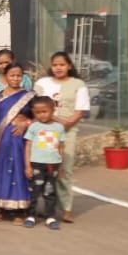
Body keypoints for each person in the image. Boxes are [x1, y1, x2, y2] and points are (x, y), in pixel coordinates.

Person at [34, 52, 90, 223]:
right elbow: (35, 106)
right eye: (55, 65)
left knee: (64, 170)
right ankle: (47, 207)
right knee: (43, 169)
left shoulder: (78, 84)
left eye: (62, 65)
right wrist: (55, 120)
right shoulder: (42, 83)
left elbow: (80, 111)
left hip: (68, 132)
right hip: (44, 132)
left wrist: (65, 123)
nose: (58, 68)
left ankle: (66, 208)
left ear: (69, 66)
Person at [0, 63, 35, 221]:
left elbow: (38, 117)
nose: (15, 78)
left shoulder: (29, 96)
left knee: (18, 170)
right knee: (1, 171)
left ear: (23, 77)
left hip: (19, 141)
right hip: (1, 141)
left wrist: (26, 123)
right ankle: (0, 208)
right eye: (12, 75)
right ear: (5, 77)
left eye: (19, 75)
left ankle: (20, 211)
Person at [24, 96, 66, 230]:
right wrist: (28, 166)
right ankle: (31, 215)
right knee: (34, 191)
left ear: (53, 110)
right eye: (38, 112)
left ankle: (50, 217)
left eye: (45, 111)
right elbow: (28, 146)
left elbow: (61, 148)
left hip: (53, 165)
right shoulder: (34, 127)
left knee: (50, 191)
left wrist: (61, 167)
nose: (42, 115)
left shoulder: (59, 127)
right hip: (36, 164)